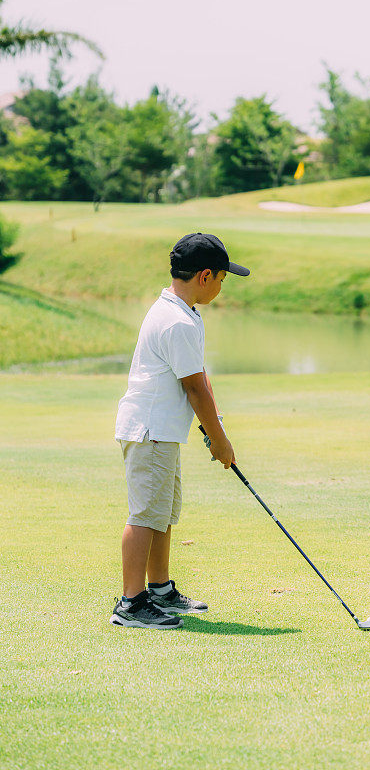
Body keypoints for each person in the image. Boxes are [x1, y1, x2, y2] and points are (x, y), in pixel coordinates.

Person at [111, 232, 250, 628]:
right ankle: (131, 605)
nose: (222, 286)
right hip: (150, 430)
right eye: (222, 278)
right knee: (145, 515)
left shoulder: (182, 311)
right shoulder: (176, 321)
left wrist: (215, 426)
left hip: (161, 431)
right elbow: (193, 388)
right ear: (205, 276)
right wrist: (221, 442)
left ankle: (159, 590)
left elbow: (198, 379)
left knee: (162, 513)